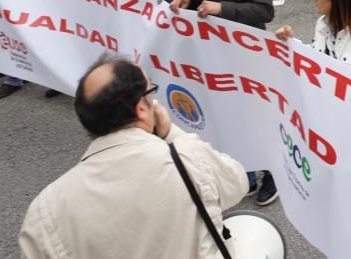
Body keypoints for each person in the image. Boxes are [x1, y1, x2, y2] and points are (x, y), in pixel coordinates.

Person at [18, 55, 247, 258]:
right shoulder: (187, 158)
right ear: (141, 109)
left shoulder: (43, 210)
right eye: (151, 91)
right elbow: (236, 183)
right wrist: (171, 134)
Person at [170, 0, 276, 204]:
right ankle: (249, 175)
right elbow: (207, 0)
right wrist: (188, 2)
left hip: (248, 53)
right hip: (218, 52)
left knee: (255, 118)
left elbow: (264, 10)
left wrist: (223, 9)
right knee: (232, 117)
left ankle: (273, 176)